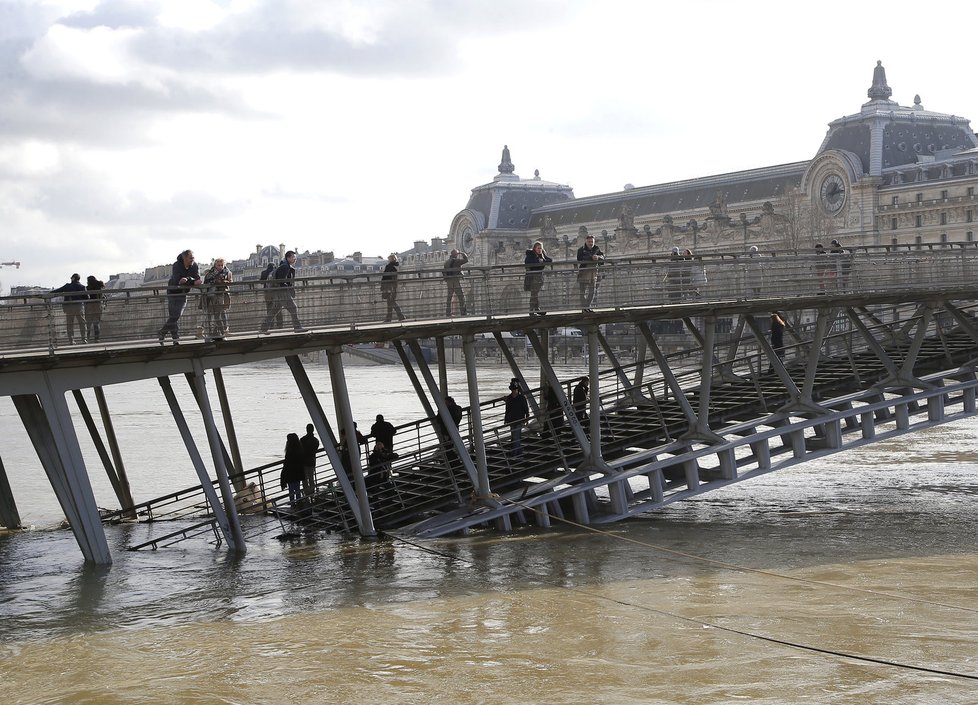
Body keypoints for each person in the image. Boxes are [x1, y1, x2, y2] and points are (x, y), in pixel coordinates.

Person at [158, 250, 201, 344]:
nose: (192, 260)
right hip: (173, 292)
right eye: (190, 258)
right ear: (184, 258)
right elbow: (178, 280)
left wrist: (189, 280)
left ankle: (162, 332)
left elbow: (196, 278)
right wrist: (191, 281)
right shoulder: (177, 265)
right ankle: (175, 339)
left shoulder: (194, 265)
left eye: (193, 258)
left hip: (183, 292)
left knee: (175, 316)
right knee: (174, 316)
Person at [259, 251, 306, 334]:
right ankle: (297, 327)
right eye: (293, 257)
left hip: (278, 292)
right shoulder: (285, 267)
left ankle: (263, 329)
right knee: (293, 308)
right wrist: (288, 288)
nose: (295, 259)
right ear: (288, 258)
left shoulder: (284, 265)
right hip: (282, 292)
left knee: (274, 310)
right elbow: (281, 281)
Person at [51, 273, 88, 344]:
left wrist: (49, 294)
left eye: (71, 278)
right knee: (82, 323)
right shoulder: (82, 287)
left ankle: (71, 340)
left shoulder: (67, 286)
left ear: (73, 278)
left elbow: (58, 291)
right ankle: (84, 339)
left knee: (70, 324)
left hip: (69, 307)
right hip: (79, 307)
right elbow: (87, 297)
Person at [202, 258, 232, 340]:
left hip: (221, 296)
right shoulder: (209, 273)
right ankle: (214, 334)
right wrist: (215, 281)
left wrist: (222, 282)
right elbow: (206, 283)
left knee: (217, 316)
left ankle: (220, 333)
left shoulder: (227, 272)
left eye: (222, 265)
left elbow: (230, 282)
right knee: (211, 316)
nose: (220, 267)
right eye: (218, 265)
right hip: (210, 296)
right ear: (215, 265)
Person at [576, 233, 605, 310]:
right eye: (589, 242)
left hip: (594, 272)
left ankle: (587, 306)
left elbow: (603, 258)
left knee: (592, 291)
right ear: (586, 242)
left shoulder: (597, 248)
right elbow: (580, 260)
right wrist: (591, 258)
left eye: (592, 241)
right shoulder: (581, 250)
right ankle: (584, 308)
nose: (591, 243)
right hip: (584, 271)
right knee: (582, 291)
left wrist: (598, 257)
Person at [523, 241, 553, 314]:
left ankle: (535, 309)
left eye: (541, 248)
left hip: (539, 277)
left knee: (535, 294)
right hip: (532, 277)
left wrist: (542, 260)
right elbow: (528, 262)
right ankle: (533, 310)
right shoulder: (530, 255)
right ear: (534, 248)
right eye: (538, 248)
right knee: (534, 294)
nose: (539, 250)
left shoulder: (541, 255)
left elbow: (550, 260)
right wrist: (539, 261)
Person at [503, 380, 529, 457]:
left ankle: (514, 453)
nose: (514, 391)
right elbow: (507, 410)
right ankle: (519, 452)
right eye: (513, 390)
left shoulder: (521, 398)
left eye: (515, 390)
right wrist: (506, 419)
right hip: (512, 420)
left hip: (519, 419)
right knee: (515, 436)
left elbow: (526, 408)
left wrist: (526, 417)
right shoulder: (510, 398)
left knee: (515, 436)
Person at [280, 433, 305, 508]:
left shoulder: (289, 450)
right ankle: (298, 502)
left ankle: (292, 503)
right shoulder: (299, 449)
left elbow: (287, 463)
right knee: (297, 488)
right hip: (298, 472)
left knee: (291, 489)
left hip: (290, 472)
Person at [443, 249, 468, 316]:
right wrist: (462, 253)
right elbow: (466, 260)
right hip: (455, 280)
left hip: (449, 281)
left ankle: (448, 313)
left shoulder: (446, 262)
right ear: (456, 255)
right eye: (457, 254)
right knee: (461, 296)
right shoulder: (456, 261)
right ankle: (463, 312)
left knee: (449, 297)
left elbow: (444, 272)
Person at [381, 253, 405, 322]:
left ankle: (398, 316)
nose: (388, 260)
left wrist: (384, 287)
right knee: (391, 302)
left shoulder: (390, 267)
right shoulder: (396, 266)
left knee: (391, 302)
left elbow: (386, 277)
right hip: (393, 287)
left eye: (389, 259)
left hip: (389, 287)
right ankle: (394, 317)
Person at [259, 262, 283, 330]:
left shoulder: (264, 272)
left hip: (267, 293)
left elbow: (261, 282)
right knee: (278, 309)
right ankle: (279, 325)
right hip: (276, 293)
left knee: (269, 309)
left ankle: (271, 325)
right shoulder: (276, 272)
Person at [299, 423, 320, 499]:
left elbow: (300, 450)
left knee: (304, 479)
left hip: (304, 462)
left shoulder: (302, 440)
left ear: (306, 429)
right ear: (313, 430)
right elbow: (315, 449)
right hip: (311, 461)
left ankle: (306, 494)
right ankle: (312, 493)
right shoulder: (315, 440)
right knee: (311, 478)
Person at [84, 275, 105, 343]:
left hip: (89, 307)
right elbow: (102, 297)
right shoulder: (99, 287)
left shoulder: (87, 288)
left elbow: (85, 297)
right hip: (98, 306)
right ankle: (97, 339)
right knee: (96, 324)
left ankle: (87, 338)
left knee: (88, 324)